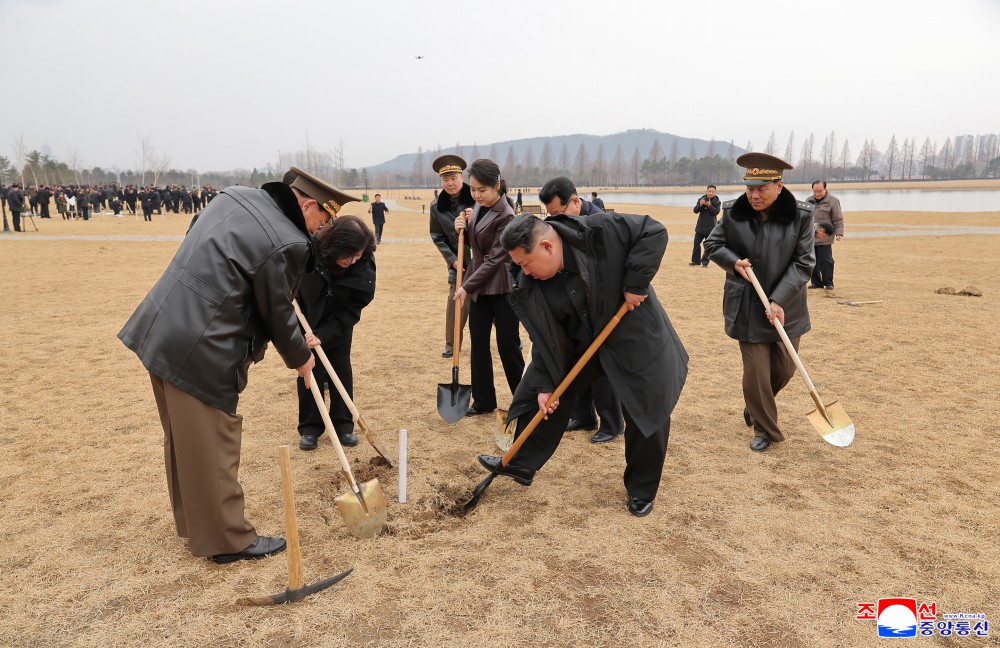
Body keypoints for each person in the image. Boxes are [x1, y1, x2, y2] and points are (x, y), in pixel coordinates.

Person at [118, 166, 359, 564]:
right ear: (309, 205)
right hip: (203, 347)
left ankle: (193, 524)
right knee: (212, 443)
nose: (321, 230)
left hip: (162, 326)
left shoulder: (235, 196)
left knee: (185, 441)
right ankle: (227, 538)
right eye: (324, 219)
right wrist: (301, 358)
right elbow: (278, 313)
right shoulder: (288, 242)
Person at [477, 212, 688, 517]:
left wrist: (636, 282)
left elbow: (654, 231)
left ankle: (641, 489)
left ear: (548, 247)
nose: (522, 271)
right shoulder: (532, 283)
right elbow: (546, 339)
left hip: (632, 337)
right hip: (582, 346)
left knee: (646, 412)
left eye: (525, 263)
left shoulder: (600, 231)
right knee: (537, 394)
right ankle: (518, 462)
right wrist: (547, 386)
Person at [703, 153, 815, 452]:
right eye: (749, 188)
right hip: (747, 306)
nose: (753, 195)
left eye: (761, 188)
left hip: (786, 306)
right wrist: (733, 261)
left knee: (783, 370)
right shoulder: (732, 213)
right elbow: (712, 244)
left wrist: (779, 299)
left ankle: (755, 405)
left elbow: (804, 263)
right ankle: (765, 429)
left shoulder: (801, 216)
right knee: (756, 372)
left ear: (779, 186)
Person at [538, 176, 625, 443]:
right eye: (549, 215)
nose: (553, 220)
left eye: (557, 213)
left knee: (601, 368)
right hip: (576, 302)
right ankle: (583, 416)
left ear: (575, 201)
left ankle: (612, 424)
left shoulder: (602, 225)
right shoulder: (562, 225)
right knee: (577, 361)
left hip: (603, 307)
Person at [294, 214, 377, 451]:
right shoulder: (311, 252)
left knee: (340, 368)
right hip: (307, 320)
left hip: (339, 322)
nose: (353, 260)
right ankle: (310, 428)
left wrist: (327, 332)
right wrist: (306, 331)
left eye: (358, 255)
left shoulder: (364, 264)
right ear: (334, 247)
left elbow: (355, 306)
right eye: (348, 255)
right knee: (309, 371)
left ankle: (343, 425)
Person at [454, 158, 524, 416]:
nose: (476, 194)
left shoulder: (507, 215)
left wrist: (465, 286)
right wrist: (459, 227)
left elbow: (495, 258)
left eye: (481, 190)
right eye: (472, 189)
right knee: (478, 342)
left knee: (508, 344)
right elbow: (476, 246)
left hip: (502, 287)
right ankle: (483, 400)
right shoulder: (478, 206)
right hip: (480, 288)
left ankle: (523, 399)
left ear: (497, 186)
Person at [429, 154, 473, 358]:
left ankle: (510, 340)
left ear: (462, 178)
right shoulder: (437, 208)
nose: (450, 183)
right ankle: (451, 344)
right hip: (459, 264)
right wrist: (452, 260)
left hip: (483, 261)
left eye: (453, 178)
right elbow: (437, 236)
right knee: (455, 301)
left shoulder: (477, 198)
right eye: (445, 180)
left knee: (493, 301)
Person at [807, 180, 844, 290]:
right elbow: (804, 218)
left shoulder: (833, 201)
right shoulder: (808, 200)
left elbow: (838, 219)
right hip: (811, 237)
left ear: (825, 189)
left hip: (825, 236)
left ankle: (828, 283)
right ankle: (816, 283)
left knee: (826, 260)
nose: (817, 194)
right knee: (812, 261)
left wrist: (839, 233)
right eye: (815, 191)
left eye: (819, 191)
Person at [691, 184, 721, 267]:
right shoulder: (701, 199)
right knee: (696, 244)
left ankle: (705, 262)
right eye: (709, 191)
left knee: (708, 246)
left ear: (715, 192)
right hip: (700, 226)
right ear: (706, 191)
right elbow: (695, 211)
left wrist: (709, 205)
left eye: (712, 191)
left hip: (710, 227)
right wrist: (700, 205)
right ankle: (695, 261)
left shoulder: (717, 201)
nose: (711, 193)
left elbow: (716, 212)